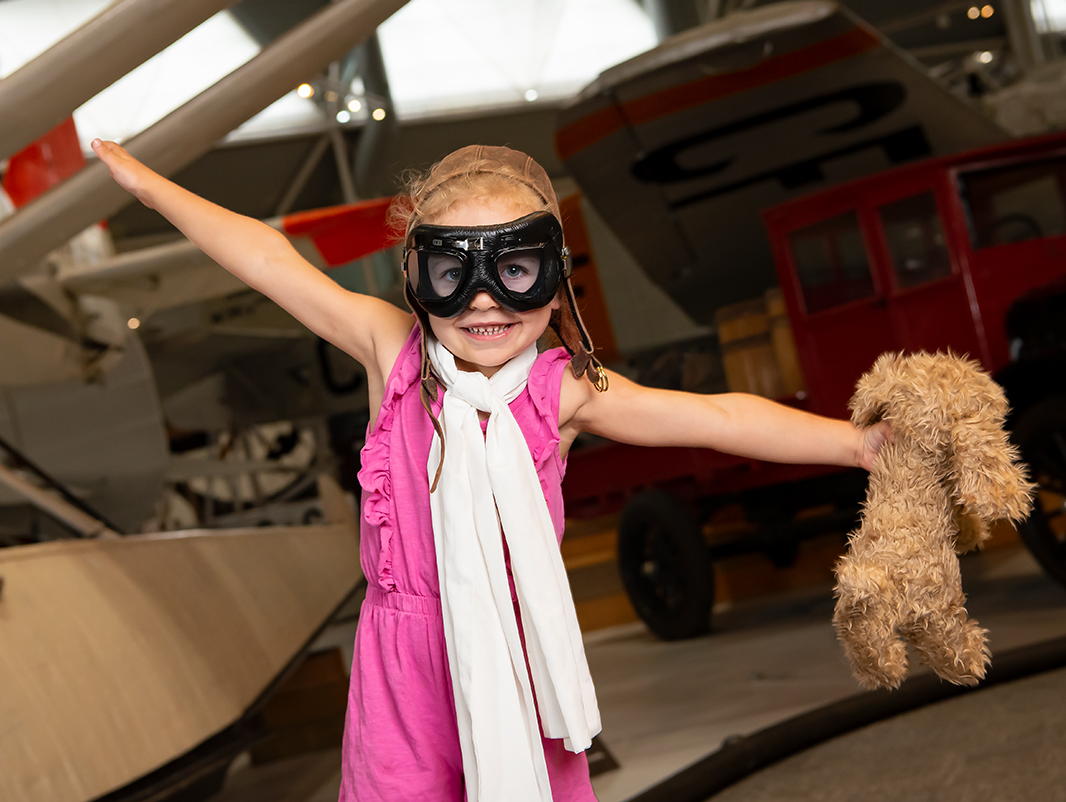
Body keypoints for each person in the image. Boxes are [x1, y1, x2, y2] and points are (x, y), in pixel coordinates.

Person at [92, 140, 890, 802]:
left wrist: (854, 445)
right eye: (452, 273)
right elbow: (271, 260)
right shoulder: (388, 351)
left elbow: (717, 417)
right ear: (416, 278)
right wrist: (151, 189)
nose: (483, 302)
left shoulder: (562, 390)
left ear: (554, 281)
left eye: (515, 271)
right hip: (403, 671)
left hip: (516, 662)